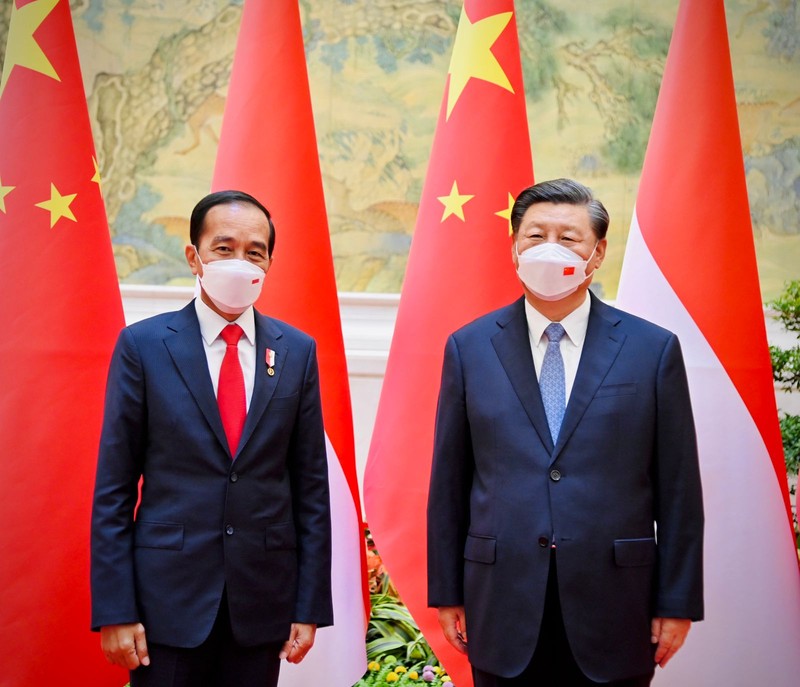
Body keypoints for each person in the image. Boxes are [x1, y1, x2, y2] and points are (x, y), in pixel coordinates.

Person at [427, 178, 703, 687]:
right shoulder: (470, 347)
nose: (549, 249)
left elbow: (679, 490)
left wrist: (677, 600)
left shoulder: (651, 350)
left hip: (617, 604)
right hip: (502, 601)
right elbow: (450, 482)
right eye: (536, 236)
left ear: (598, 253)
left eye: (568, 237)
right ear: (514, 247)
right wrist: (447, 592)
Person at [91, 190, 333, 687]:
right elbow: (113, 489)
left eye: (255, 251)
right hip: (166, 606)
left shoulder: (297, 351)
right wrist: (116, 609)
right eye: (224, 248)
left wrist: (309, 606)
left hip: (261, 604)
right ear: (194, 257)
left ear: (268, 264)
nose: (240, 261)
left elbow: (311, 489)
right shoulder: (143, 346)